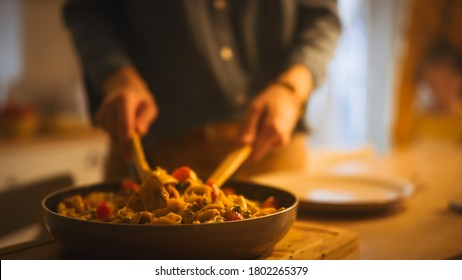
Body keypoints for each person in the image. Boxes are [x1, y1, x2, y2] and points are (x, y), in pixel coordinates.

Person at [63, 0, 341, 179]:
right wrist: (117, 76)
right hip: (153, 151)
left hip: (274, 152)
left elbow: (322, 18)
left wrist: (290, 88)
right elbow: (88, 12)